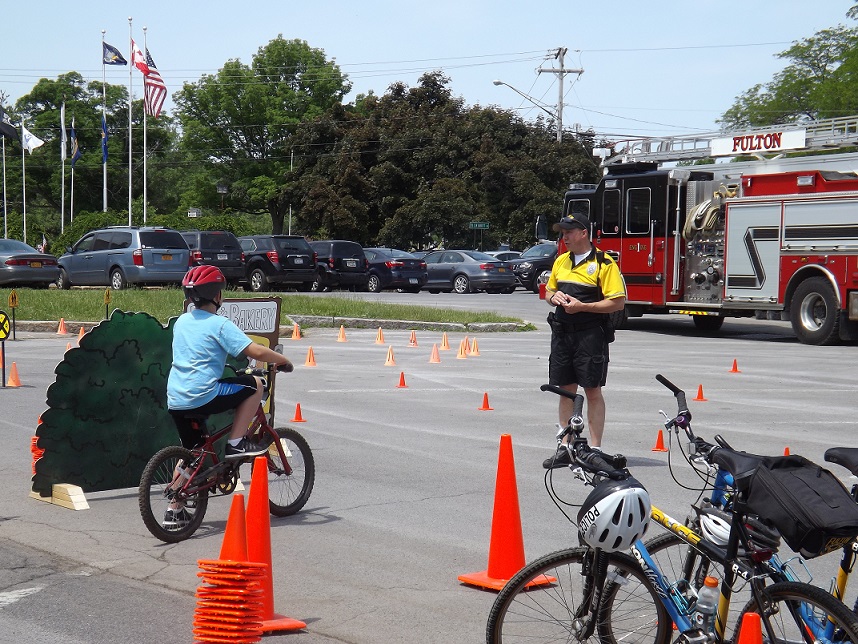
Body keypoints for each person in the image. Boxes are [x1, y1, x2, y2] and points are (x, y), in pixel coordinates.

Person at [165, 265, 293, 524]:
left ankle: (173, 510)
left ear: (190, 296)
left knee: (195, 450)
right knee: (254, 385)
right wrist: (283, 360)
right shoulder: (220, 324)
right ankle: (236, 443)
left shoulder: (181, 322)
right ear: (217, 296)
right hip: (204, 394)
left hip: (176, 398)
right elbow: (255, 351)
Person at [542, 213, 626, 468]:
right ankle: (566, 447)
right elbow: (548, 290)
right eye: (562, 232)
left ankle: (595, 449)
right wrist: (552, 297)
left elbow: (618, 302)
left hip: (590, 334)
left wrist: (583, 306)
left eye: (568, 232)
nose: (564, 237)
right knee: (565, 390)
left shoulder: (604, 263)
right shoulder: (560, 261)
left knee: (592, 390)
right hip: (562, 332)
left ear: (583, 233)